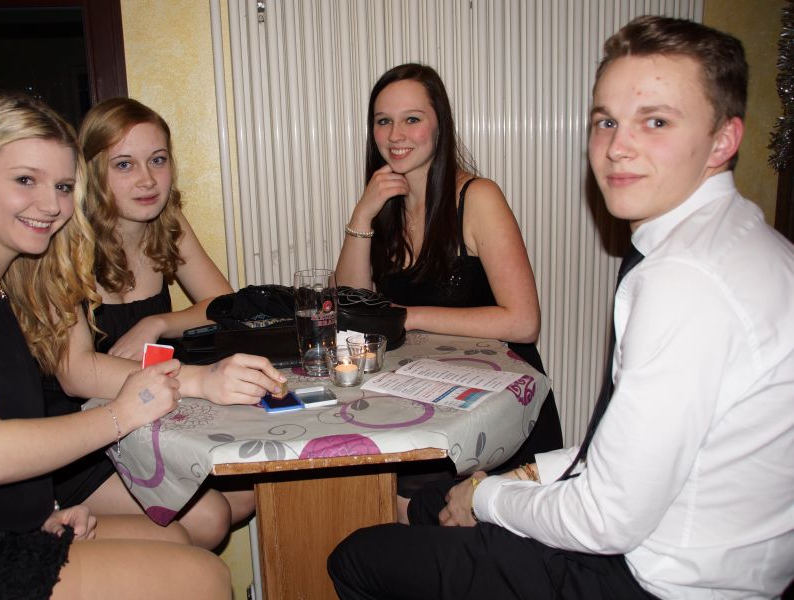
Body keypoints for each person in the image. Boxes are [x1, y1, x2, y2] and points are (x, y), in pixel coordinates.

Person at [328, 15, 794, 600]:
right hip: (671, 539)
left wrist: (489, 495)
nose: (618, 147)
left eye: (655, 121)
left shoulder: (686, 281)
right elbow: (621, 456)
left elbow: (606, 518)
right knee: (422, 507)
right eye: (606, 121)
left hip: (653, 578)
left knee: (358, 556)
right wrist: (363, 216)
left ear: (724, 139)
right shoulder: (735, 245)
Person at [0, 94, 231, 599]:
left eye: (63, 186)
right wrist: (124, 412)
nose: (50, 205)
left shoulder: (10, 278)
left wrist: (43, 511)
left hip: (11, 522)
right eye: (24, 180)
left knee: (181, 538)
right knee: (203, 578)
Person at [46, 97, 277, 549]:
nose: (148, 179)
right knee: (210, 518)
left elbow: (225, 303)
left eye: (157, 160)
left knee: (250, 492)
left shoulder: (166, 222)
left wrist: (158, 322)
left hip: (147, 421)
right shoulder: (64, 243)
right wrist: (199, 380)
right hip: (76, 436)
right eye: (124, 165)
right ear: (91, 172)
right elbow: (76, 373)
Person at [335, 62, 562, 521]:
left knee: (401, 497)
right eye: (383, 121)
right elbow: (351, 304)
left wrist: (410, 314)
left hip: (497, 407)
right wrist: (362, 216)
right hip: (425, 394)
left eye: (412, 119)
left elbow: (523, 322)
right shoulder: (386, 205)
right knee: (359, 479)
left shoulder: (478, 197)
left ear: (440, 126)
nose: (396, 134)